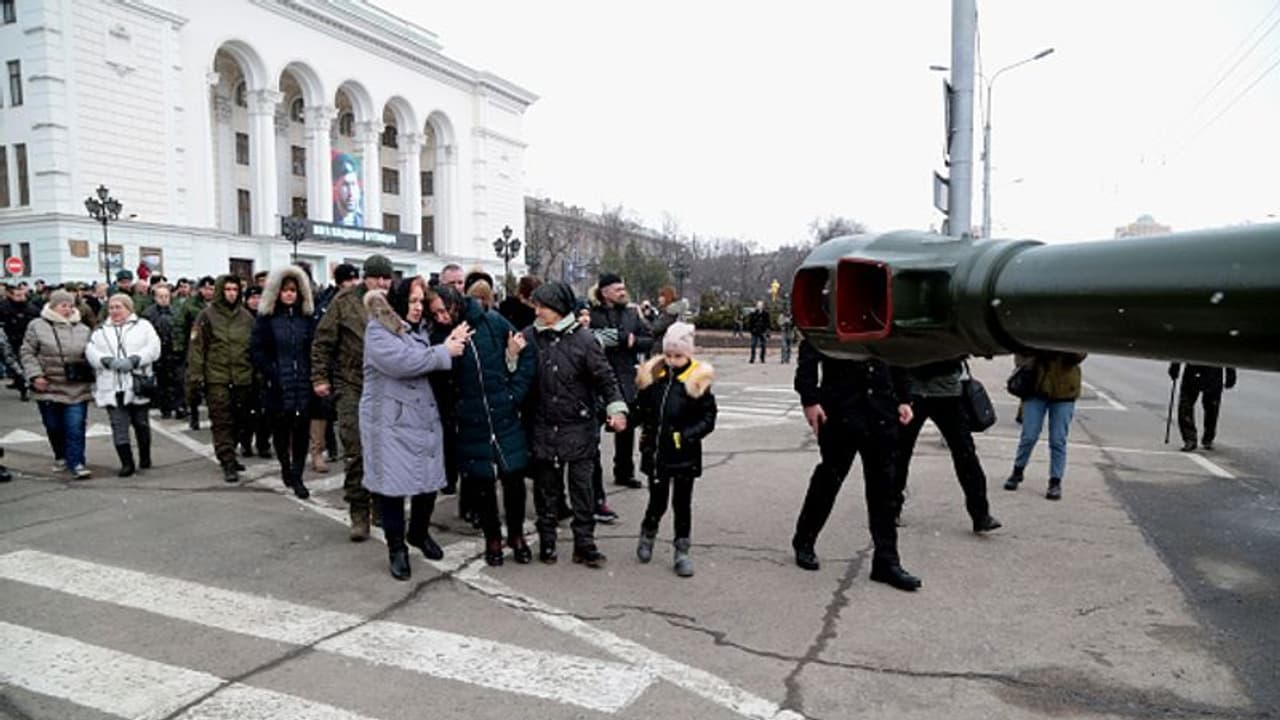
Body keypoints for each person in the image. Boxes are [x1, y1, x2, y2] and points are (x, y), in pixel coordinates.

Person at [791, 339, 922, 591]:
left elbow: (897, 352)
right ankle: (804, 539)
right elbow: (812, 345)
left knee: (884, 488)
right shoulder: (834, 304)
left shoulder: (885, 305)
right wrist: (809, 399)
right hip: (840, 409)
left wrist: (904, 398)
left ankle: (886, 561)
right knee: (829, 478)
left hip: (881, 410)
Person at [361, 281, 468, 580]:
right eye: (413, 300)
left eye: (421, 301)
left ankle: (418, 532)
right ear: (397, 301)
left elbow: (427, 355)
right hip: (389, 423)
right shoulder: (378, 330)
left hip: (420, 419)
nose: (419, 306)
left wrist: (450, 339)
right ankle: (397, 548)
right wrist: (444, 350)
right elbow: (402, 362)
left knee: (428, 480)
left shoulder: (416, 329)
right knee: (392, 489)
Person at [524, 281, 627, 568]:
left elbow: (607, 380)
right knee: (546, 491)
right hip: (543, 427)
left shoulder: (584, 340)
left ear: (557, 308)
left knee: (582, 490)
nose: (538, 311)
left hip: (579, 427)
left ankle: (585, 544)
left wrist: (617, 409)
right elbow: (517, 375)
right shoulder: (529, 336)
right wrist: (511, 356)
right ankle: (547, 543)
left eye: (542, 306)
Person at [440, 282, 536, 566]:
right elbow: (441, 377)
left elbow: (524, 351)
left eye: (444, 310)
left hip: (503, 412)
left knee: (513, 477)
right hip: (471, 418)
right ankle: (492, 538)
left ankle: (516, 535)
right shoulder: (442, 333)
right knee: (482, 482)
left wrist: (513, 394)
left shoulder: (492, 321)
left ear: (456, 304)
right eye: (436, 312)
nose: (441, 317)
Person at [312, 255, 394, 539]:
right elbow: (323, 341)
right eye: (376, 278)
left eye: (386, 278)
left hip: (385, 386)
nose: (382, 284)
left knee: (383, 451)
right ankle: (359, 512)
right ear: (365, 277)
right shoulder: (345, 302)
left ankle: (381, 507)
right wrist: (320, 377)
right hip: (351, 385)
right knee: (356, 449)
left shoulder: (392, 304)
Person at [634, 322, 717, 577]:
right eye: (668, 355)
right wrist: (625, 418)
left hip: (684, 454)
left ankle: (682, 549)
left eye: (678, 356)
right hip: (657, 453)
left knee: (682, 504)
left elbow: (708, 417)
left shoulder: (696, 382)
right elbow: (641, 409)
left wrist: (685, 436)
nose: (672, 360)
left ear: (689, 354)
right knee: (657, 502)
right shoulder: (655, 379)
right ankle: (647, 534)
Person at [893, 359, 1001, 533]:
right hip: (918, 392)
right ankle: (891, 509)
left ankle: (981, 515)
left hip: (944, 393)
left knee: (965, 455)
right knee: (900, 454)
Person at [251, 266, 318, 499]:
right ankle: (285, 467)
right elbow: (256, 350)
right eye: (285, 290)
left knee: (301, 432)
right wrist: (273, 372)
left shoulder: (307, 319)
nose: (289, 294)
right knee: (280, 431)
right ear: (277, 292)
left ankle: (297, 475)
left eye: (293, 290)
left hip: (302, 384)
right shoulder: (267, 319)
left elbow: (314, 348)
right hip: (278, 385)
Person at [186, 275, 256, 483]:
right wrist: (197, 376)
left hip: (242, 376)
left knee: (240, 420)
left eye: (235, 289)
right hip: (217, 377)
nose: (232, 293)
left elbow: (253, 347)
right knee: (222, 421)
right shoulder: (206, 316)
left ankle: (231, 453)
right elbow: (197, 348)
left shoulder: (246, 318)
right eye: (227, 289)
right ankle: (226, 460)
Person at [588, 272, 653, 489]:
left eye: (623, 288)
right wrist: (614, 338)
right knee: (593, 428)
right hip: (597, 377)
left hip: (625, 377)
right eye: (618, 289)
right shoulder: (591, 314)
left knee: (626, 429)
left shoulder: (631, 314)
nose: (623, 292)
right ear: (605, 293)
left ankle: (624, 472)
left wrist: (634, 341)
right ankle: (589, 474)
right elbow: (590, 340)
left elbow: (648, 340)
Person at [21, 289, 94, 478]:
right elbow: (27, 352)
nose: (68, 309)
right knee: (53, 425)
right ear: (53, 306)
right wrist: (35, 375)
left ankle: (77, 462)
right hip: (48, 385)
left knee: (75, 426)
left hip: (76, 387)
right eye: (64, 305)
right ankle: (61, 455)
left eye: (71, 305)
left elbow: (92, 354)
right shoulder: (37, 326)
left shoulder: (83, 329)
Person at [86, 294, 161, 477]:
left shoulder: (143, 326)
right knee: (118, 426)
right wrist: (106, 361)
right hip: (111, 386)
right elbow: (91, 351)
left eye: (118, 307)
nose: (114, 311)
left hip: (136, 384)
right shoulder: (101, 330)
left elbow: (154, 348)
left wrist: (135, 360)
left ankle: (145, 455)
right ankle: (127, 463)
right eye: (111, 307)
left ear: (128, 308)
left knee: (141, 424)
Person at [1004, 351, 1088, 500]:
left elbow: (1080, 355)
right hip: (1036, 388)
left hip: (1064, 391)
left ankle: (1055, 481)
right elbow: (1020, 356)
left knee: (1058, 440)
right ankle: (1017, 471)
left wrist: (1061, 350)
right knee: (1029, 436)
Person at [309, 263, 359, 473]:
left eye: (356, 279)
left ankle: (336, 449)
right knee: (321, 413)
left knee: (342, 417)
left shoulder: (359, 302)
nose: (353, 284)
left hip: (348, 370)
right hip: (329, 367)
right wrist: (319, 374)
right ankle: (317, 452)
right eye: (349, 280)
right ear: (340, 283)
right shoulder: (328, 303)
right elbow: (321, 339)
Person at [174, 276, 216, 429]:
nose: (208, 292)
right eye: (205, 288)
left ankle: (214, 415)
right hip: (194, 348)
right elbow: (179, 325)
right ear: (199, 290)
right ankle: (194, 413)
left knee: (214, 386)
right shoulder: (190, 305)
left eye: (212, 288)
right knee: (194, 385)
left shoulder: (218, 305)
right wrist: (179, 348)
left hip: (214, 350)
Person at [1168, 363, 1236, 452]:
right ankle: (1190, 439)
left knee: (1212, 406)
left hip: (1213, 368)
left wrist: (1230, 372)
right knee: (1185, 405)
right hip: (1193, 367)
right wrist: (1175, 365)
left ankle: (1208, 437)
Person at [240, 286, 272, 459]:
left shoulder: (267, 317)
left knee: (265, 413)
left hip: (264, 371)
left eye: (259, 297)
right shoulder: (241, 318)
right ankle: (246, 443)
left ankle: (263, 444)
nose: (255, 301)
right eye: (252, 297)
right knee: (247, 413)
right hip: (245, 371)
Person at [142, 285, 183, 418]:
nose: (164, 299)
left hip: (174, 352)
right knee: (162, 382)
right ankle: (166, 408)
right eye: (161, 296)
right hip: (159, 353)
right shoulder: (149, 313)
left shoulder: (177, 311)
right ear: (155, 298)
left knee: (177, 381)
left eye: (166, 296)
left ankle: (179, 406)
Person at [0, 283, 39, 400]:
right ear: (11, 296)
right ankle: (22, 385)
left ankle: (26, 386)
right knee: (14, 364)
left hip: (26, 340)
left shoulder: (31, 308)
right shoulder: (3, 307)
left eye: (23, 295)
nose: (22, 298)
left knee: (25, 364)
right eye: (18, 295)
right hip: (9, 340)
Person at [648, 285, 689, 356]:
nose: (659, 299)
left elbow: (655, 328)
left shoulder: (671, 313)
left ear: (667, 297)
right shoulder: (669, 312)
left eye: (661, 296)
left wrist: (642, 317)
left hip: (664, 349)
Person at [332, 153, 364, 227]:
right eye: (345, 185)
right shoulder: (329, 215)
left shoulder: (363, 219)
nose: (351, 193)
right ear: (335, 185)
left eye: (353, 184)